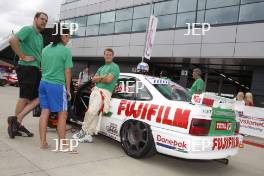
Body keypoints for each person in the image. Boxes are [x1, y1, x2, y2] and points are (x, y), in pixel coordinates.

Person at [8, 12, 48, 139]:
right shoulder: (28, 30)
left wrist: (41, 64)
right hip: (26, 68)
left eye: (46, 20)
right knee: (24, 97)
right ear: (35, 19)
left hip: (35, 69)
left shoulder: (40, 37)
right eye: (42, 19)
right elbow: (13, 40)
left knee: (39, 97)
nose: (44, 22)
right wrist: (23, 56)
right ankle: (16, 124)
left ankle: (16, 121)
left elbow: (39, 53)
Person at [72, 48, 120, 143]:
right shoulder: (101, 68)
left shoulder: (115, 67)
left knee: (91, 112)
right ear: (104, 55)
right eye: (106, 54)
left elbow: (108, 80)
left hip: (104, 92)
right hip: (95, 91)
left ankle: (83, 130)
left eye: (110, 54)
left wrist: (99, 78)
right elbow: (93, 80)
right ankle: (89, 135)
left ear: (113, 56)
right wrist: (102, 77)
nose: (108, 56)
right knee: (93, 113)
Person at [38, 23, 73, 150]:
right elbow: (67, 71)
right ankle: (63, 144)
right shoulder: (66, 51)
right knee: (62, 114)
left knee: (44, 112)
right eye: (68, 36)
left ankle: (43, 142)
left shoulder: (45, 49)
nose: (68, 38)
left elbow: (42, 68)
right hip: (57, 85)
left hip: (43, 83)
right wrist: (68, 89)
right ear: (63, 36)